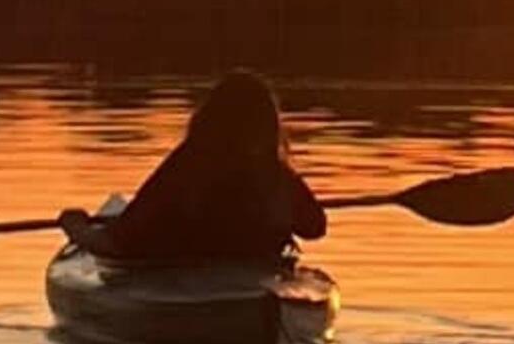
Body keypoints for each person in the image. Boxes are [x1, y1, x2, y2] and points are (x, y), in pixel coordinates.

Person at [58, 70, 326, 262]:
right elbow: (314, 227)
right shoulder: (276, 176)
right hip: (251, 279)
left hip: (187, 278)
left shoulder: (188, 166)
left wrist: (77, 229)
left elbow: (119, 240)